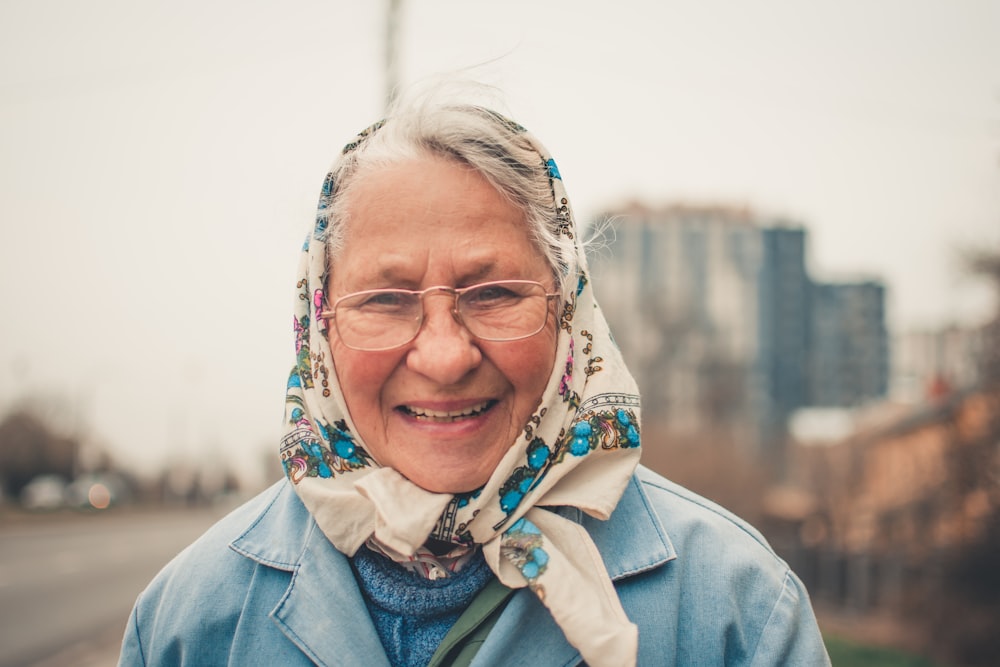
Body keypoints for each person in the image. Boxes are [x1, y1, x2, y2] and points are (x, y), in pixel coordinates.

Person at [118, 89, 831, 667]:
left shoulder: (738, 613)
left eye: (493, 293)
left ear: (568, 312)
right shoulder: (186, 625)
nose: (445, 355)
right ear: (320, 325)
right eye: (386, 300)